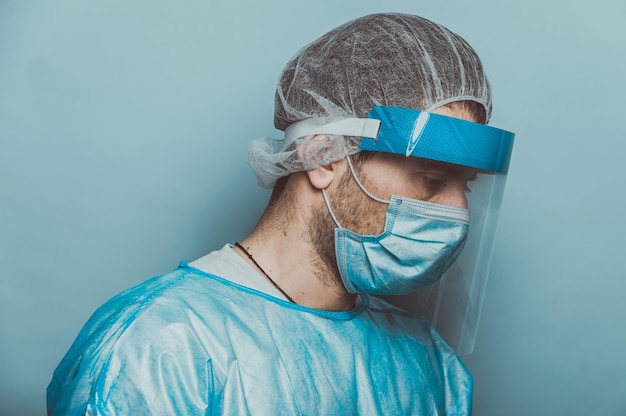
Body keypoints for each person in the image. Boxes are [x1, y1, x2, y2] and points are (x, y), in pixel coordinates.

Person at [47, 13, 514, 415]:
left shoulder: (427, 362)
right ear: (325, 157)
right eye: (431, 180)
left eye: (465, 186)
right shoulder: (159, 347)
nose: (459, 213)